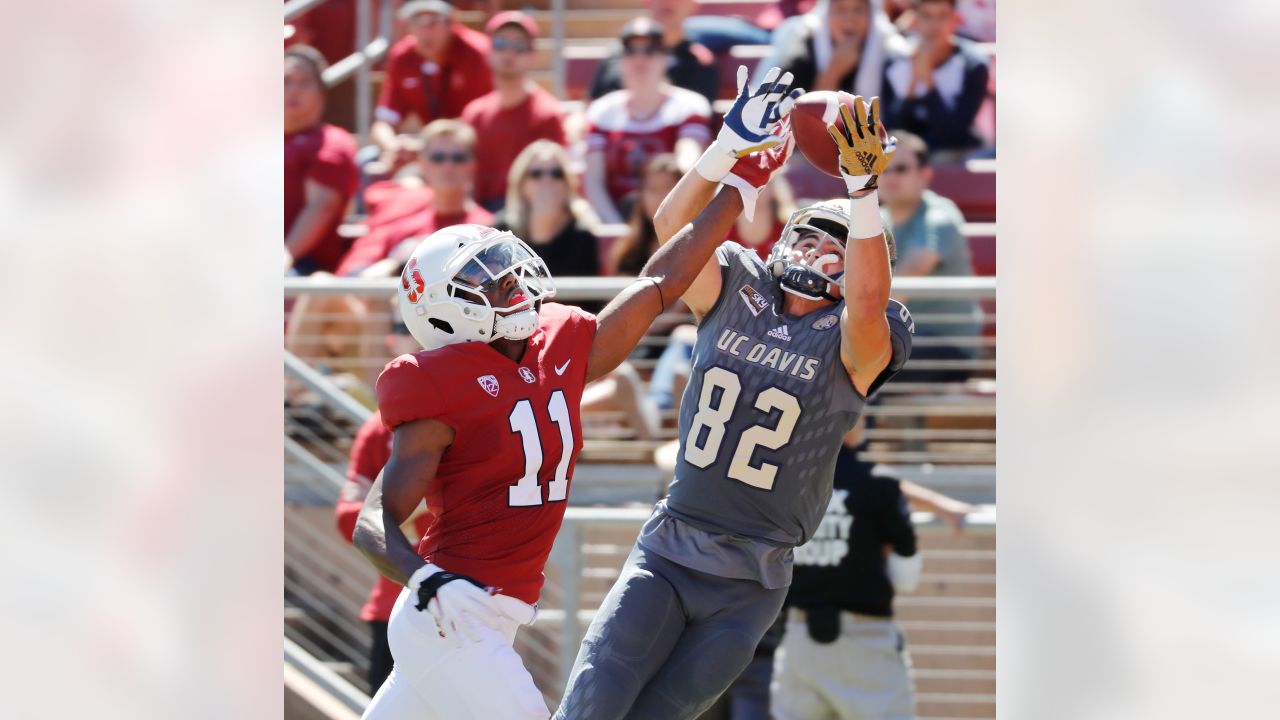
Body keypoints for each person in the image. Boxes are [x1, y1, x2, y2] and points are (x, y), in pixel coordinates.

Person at [351, 67, 803, 720]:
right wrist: (426, 581)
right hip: (455, 615)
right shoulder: (435, 385)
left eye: (502, 267)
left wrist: (741, 178)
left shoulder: (557, 342)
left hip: (488, 615)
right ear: (450, 313)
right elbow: (374, 519)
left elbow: (660, 283)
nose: (511, 280)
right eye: (487, 281)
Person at [554, 77, 916, 718]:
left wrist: (862, 194)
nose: (815, 249)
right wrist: (724, 151)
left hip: (753, 577)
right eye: (808, 234)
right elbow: (672, 230)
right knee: (591, 704)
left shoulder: (861, 335)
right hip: (668, 547)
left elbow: (865, 304)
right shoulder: (740, 286)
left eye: (837, 244)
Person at [877, 129, 981, 381]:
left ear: (925, 175)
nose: (890, 176)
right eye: (883, 168)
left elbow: (900, 285)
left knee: (864, 363)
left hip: (947, 348)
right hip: (902, 339)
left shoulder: (939, 217)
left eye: (901, 169)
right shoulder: (877, 220)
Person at [585, 18, 711, 225]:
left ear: (666, 59)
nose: (639, 58)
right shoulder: (603, 111)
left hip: (672, 219)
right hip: (616, 219)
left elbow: (687, 168)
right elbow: (593, 184)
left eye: (650, 50)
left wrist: (665, 225)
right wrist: (617, 229)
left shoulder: (689, 106)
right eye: (630, 50)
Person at [337, 119, 493, 278]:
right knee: (320, 283)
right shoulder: (400, 208)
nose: (448, 166)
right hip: (382, 297)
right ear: (422, 163)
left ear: (473, 165)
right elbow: (352, 273)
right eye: (438, 158)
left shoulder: (487, 230)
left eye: (458, 158)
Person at [461, 11, 568, 212]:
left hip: (528, 217)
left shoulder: (548, 114)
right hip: (479, 219)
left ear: (532, 56)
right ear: (488, 52)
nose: (509, 53)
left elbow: (554, 182)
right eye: (500, 44)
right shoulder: (474, 113)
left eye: (519, 46)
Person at [370, 0, 493, 162]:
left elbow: (492, 119)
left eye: (433, 22)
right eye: (416, 21)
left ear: (451, 21)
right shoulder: (401, 57)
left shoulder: (479, 53)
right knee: (368, 159)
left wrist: (426, 144)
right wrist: (392, 146)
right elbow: (384, 122)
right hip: (431, 151)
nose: (426, 32)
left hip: (476, 148)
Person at [880, 0, 990, 157]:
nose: (935, 24)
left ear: (956, 20)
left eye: (942, 16)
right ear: (914, 20)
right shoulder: (894, 63)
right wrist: (912, 86)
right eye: (927, 16)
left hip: (955, 152)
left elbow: (954, 134)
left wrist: (928, 82)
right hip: (905, 153)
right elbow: (891, 129)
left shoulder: (973, 65)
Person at [285, 45, 359, 275]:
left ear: (321, 91)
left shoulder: (332, 143)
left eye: (304, 82)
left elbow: (321, 207)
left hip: (301, 265)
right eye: (286, 80)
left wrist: (283, 256)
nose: (293, 89)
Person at [493, 140, 601, 279]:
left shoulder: (583, 235)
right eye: (536, 174)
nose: (547, 180)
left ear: (568, 183)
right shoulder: (501, 232)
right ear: (521, 183)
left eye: (557, 174)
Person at [589, 0, 720, 104]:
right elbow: (591, 102)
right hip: (612, 133)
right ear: (648, 2)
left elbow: (700, 118)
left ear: (692, 5)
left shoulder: (700, 60)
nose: (669, 2)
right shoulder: (618, 52)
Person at [772, 0, 908, 96]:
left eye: (858, 10)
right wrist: (833, 73)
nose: (849, 18)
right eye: (840, 10)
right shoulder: (803, 52)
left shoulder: (891, 53)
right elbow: (787, 118)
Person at [609, 153, 682, 275]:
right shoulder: (628, 254)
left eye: (669, 188)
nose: (661, 197)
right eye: (653, 189)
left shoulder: (701, 246)